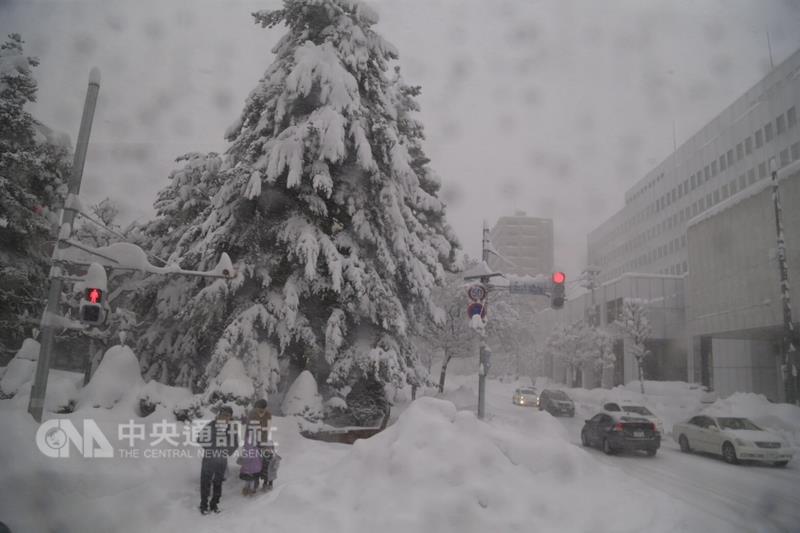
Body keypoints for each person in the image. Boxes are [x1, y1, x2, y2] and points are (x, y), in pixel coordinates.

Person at [197, 405, 239, 515]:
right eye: (224, 415)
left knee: (218, 483)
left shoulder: (231, 429)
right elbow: (200, 439)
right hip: (209, 459)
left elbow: (235, 443)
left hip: (221, 460)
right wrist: (211, 448)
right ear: (219, 415)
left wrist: (227, 451)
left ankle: (214, 504)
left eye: (228, 416)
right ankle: (203, 505)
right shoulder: (210, 426)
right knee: (205, 482)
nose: (226, 418)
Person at [239, 398, 272, 495]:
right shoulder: (256, 414)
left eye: (262, 409)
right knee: (254, 463)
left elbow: (265, 430)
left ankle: (253, 484)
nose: (260, 411)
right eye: (259, 409)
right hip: (254, 441)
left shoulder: (264, 415)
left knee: (255, 462)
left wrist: (263, 443)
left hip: (256, 441)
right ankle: (251, 485)